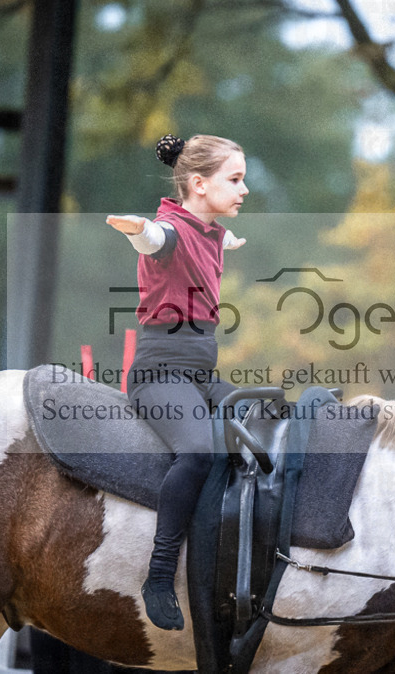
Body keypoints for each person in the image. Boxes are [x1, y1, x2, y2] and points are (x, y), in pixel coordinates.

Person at [106, 134, 248, 631]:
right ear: (198, 184)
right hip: (158, 376)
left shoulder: (208, 230)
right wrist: (137, 230)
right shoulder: (170, 229)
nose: (244, 189)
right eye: (235, 180)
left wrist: (226, 239)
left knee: (268, 418)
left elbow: (207, 238)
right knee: (200, 450)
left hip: (199, 376)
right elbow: (158, 238)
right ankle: (160, 572)